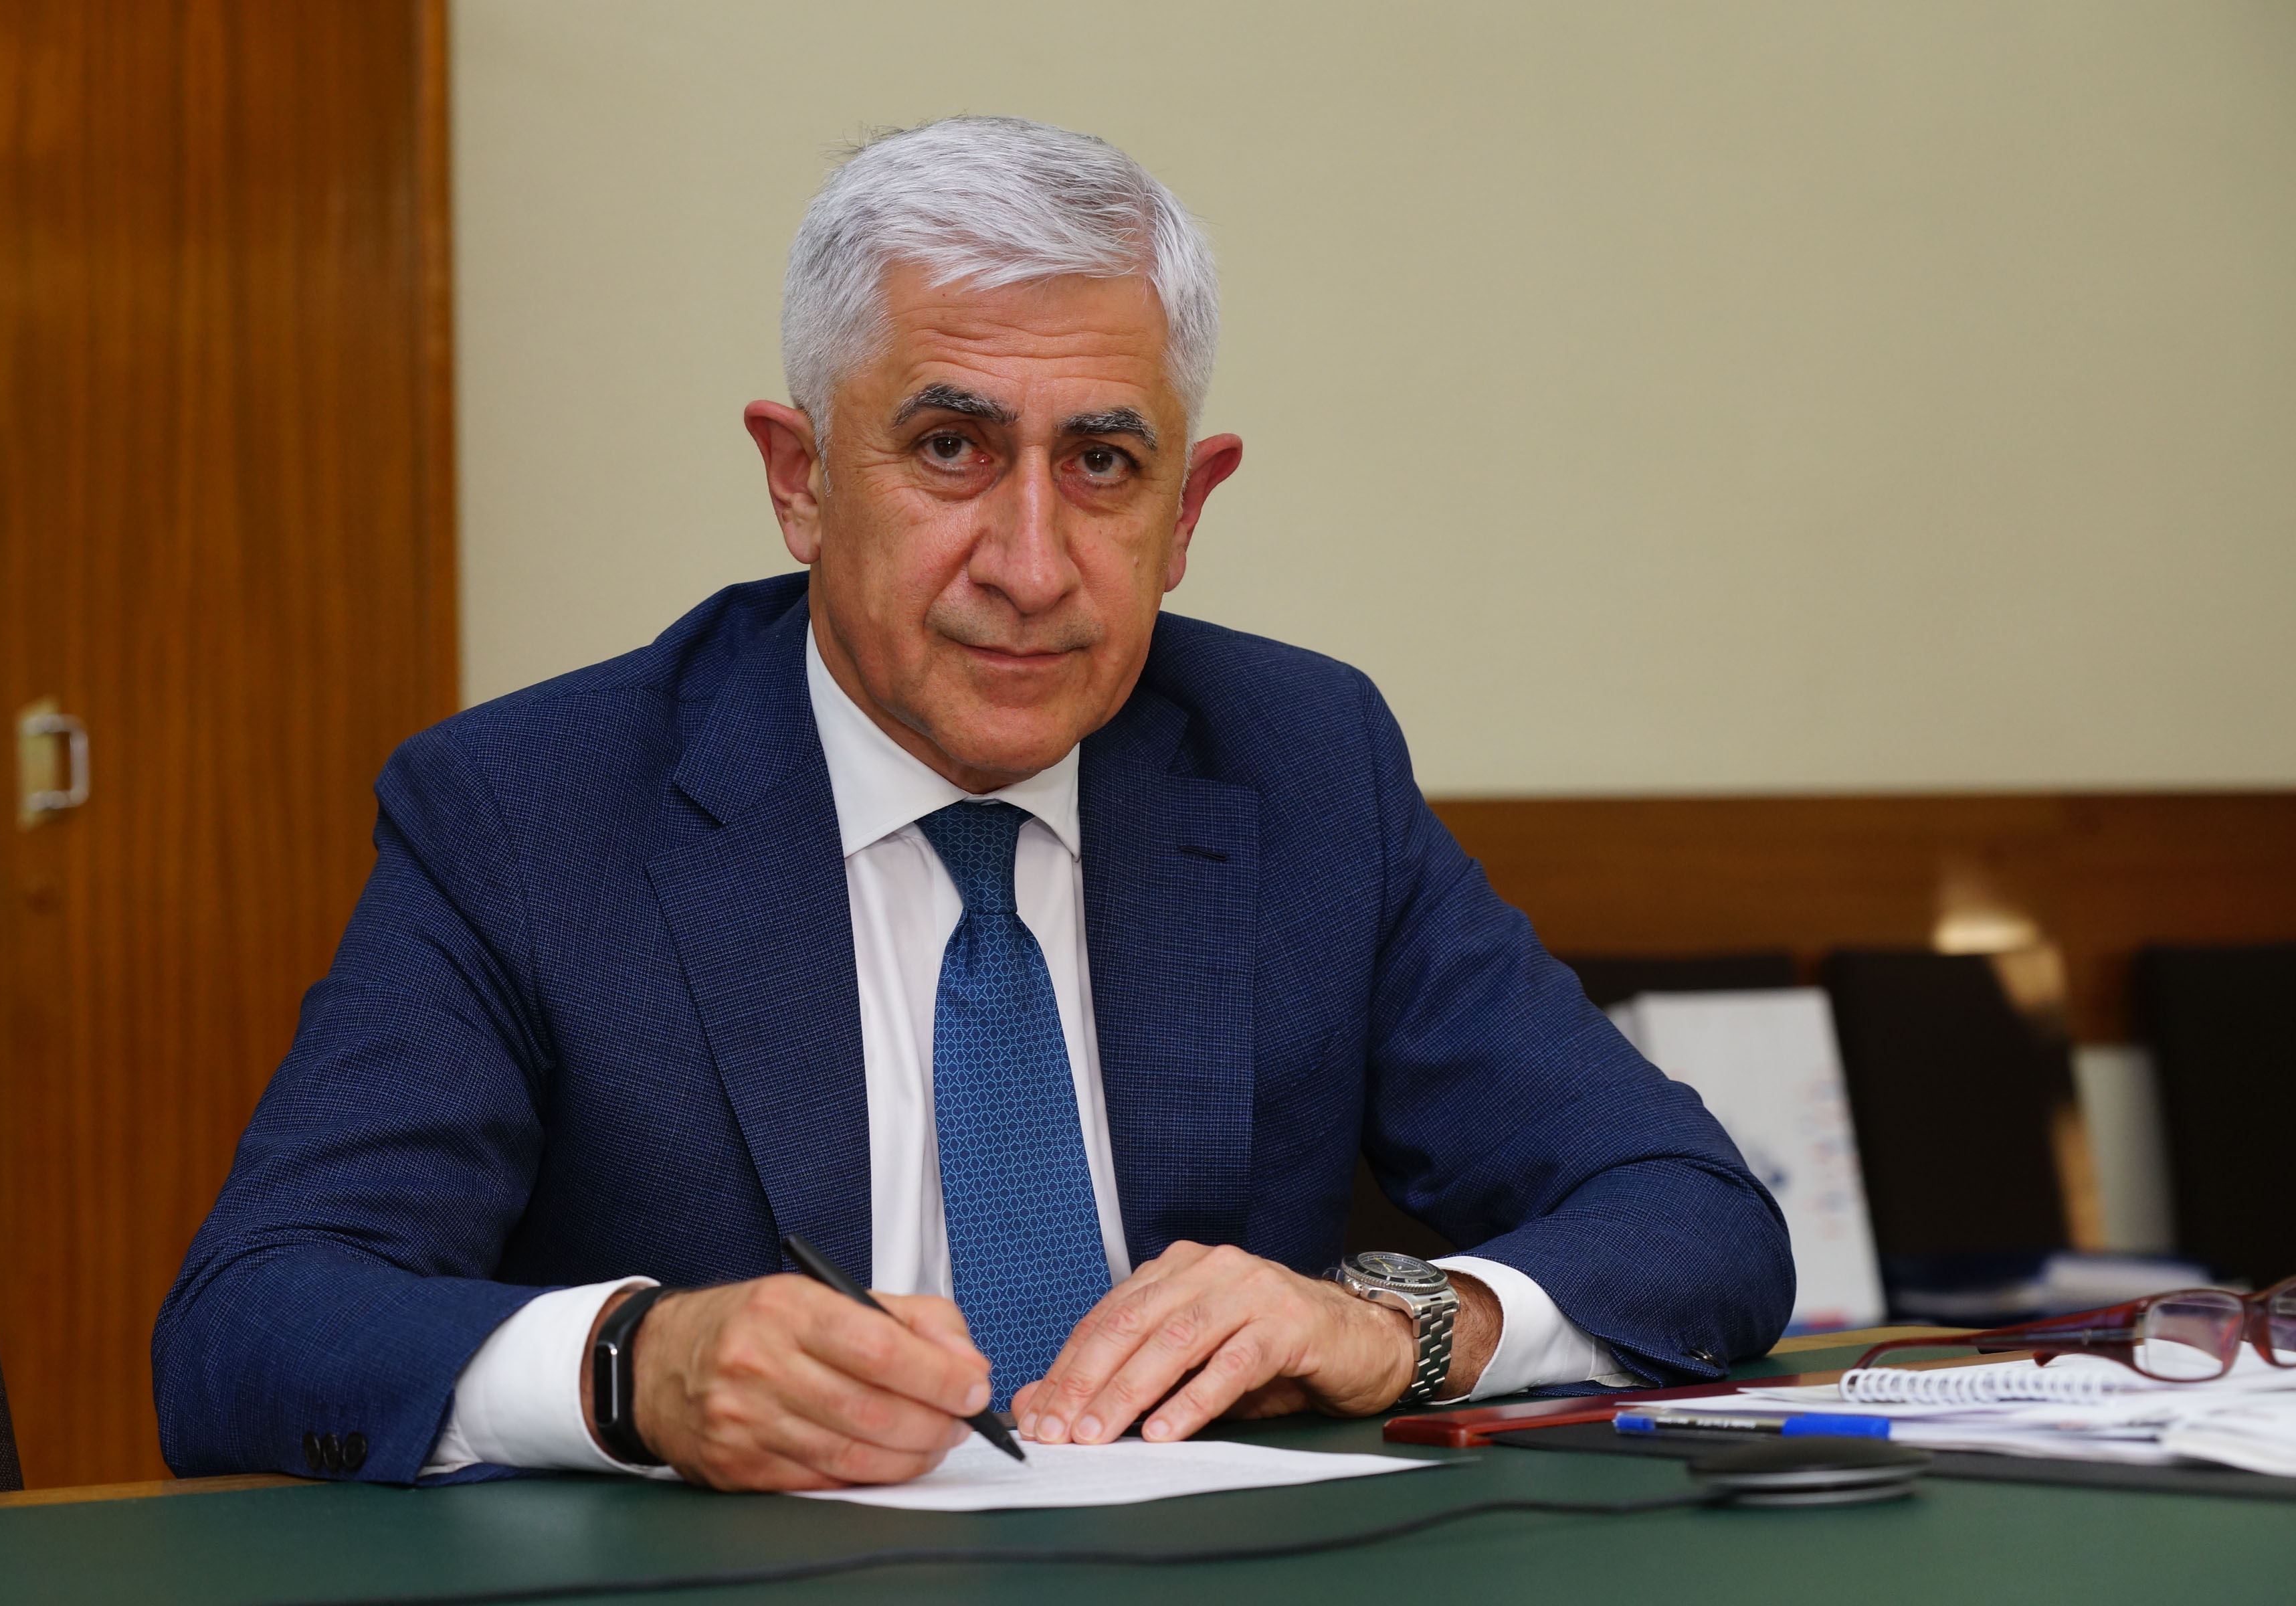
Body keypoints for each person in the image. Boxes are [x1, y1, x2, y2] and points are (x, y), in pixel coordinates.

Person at [154, 116, 1793, 1493]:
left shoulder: (1299, 764)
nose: (1029, 564)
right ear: (801, 477)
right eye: (950, 448)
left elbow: (1694, 1219)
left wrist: (1400, 1327)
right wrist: (638, 1365)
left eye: (1102, 465)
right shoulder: (530, 809)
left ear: (1187, 510)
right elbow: (252, 1324)